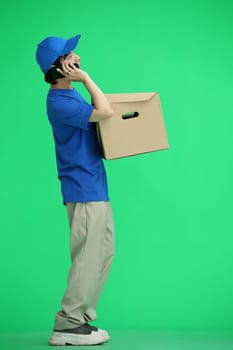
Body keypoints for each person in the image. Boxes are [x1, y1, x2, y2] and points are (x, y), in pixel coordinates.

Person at [35, 34, 115, 346]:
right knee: (87, 256)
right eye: (70, 54)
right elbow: (106, 111)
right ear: (59, 67)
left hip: (94, 184)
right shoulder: (59, 102)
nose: (77, 56)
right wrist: (86, 79)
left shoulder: (71, 97)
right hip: (82, 187)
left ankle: (80, 319)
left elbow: (103, 110)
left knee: (104, 252)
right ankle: (67, 323)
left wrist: (81, 81)